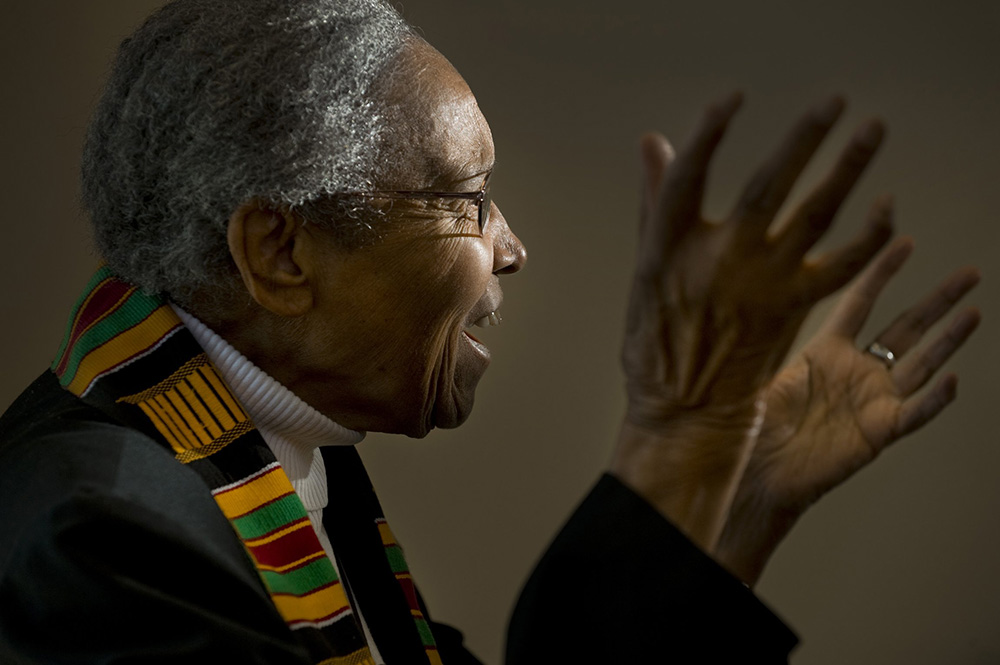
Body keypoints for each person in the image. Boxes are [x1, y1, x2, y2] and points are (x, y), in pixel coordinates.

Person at [0, 0, 980, 663]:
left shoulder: (264, 448)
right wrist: (678, 429)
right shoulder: (97, 536)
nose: (509, 246)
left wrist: (738, 489)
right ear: (281, 250)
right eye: (465, 199)